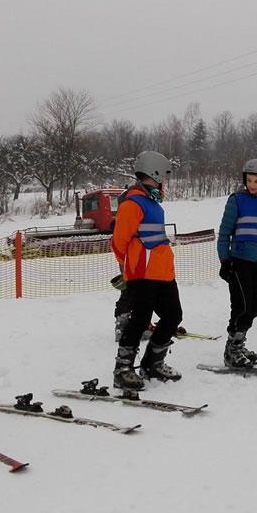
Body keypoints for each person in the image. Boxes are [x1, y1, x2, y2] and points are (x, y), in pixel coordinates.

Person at [112, 151, 183, 390]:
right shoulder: (132, 203)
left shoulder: (153, 203)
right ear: (156, 173)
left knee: (173, 316)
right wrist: (128, 267)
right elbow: (119, 241)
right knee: (140, 320)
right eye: (164, 176)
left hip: (163, 272)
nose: (165, 181)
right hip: (142, 273)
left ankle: (153, 363)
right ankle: (122, 368)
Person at [217, 159, 257, 368]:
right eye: (249, 180)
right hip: (240, 261)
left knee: (254, 307)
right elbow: (225, 232)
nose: (252, 185)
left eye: (256, 181)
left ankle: (239, 341)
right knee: (242, 306)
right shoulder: (237, 200)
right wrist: (225, 260)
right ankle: (232, 350)